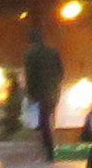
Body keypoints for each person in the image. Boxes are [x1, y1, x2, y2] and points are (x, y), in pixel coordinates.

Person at [22, 22, 65, 159]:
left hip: (39, 93)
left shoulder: (30, 53)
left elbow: (30, 76)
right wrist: (55, 85)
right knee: (47, 120)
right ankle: (48, 150)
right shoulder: (53, 52)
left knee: (41, 123)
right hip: (53, 91)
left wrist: (30, 94)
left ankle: (48, 152)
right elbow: (61, 71)